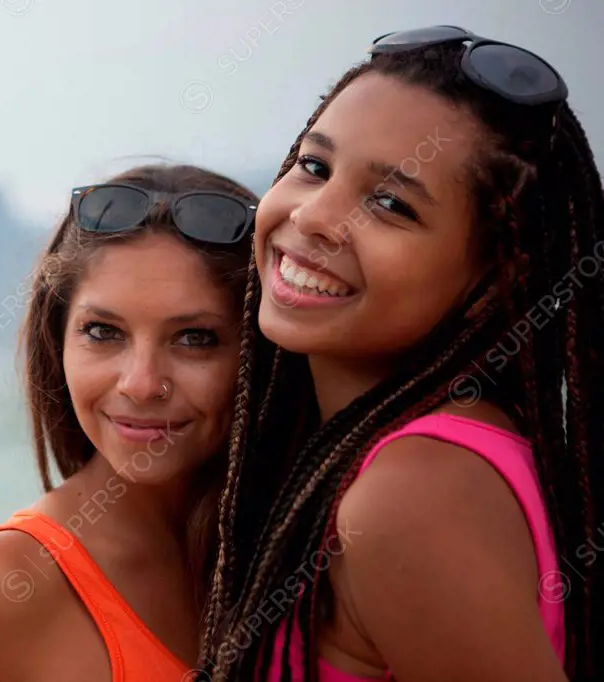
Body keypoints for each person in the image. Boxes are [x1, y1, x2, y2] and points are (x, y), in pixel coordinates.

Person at [197, 26, 603, 682]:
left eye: (390, 204)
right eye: (314, 167)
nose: (315, 218)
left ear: (494, 282)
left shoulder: (412, 494)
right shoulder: (453, 455)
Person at [0, 164, 259, 681]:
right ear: (58, 341)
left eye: (194, 338)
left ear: (262, 354)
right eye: (104, 332)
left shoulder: (306, 557)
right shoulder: (4, 583)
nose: (141, 382)